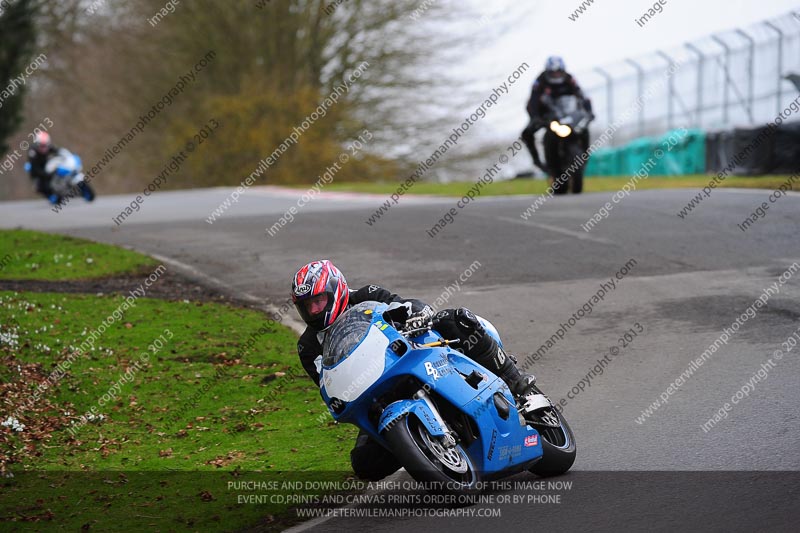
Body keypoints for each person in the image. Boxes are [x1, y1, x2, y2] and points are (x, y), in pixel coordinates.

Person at [291, 259, 538, 481]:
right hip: (372, 391)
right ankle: (419, 446)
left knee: (454, 319)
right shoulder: (307, 346)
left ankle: (514, 380)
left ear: (336, 290)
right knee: (364, 463)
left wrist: (417, 313)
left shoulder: (366, 295)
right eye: (306, 306)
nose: (313, 311)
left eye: (318, 301)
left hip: (408, 354)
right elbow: (327, 381)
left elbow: (406, 305)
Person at [521, 56, 592, 174]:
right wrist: (535, 117)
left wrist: (589, 112)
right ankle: (537, 161)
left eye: (558, 72)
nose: (556, 75)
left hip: (567, 115)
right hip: (547, 116)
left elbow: (582, 96)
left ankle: (585, 156)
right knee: (526, 134)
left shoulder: (569, 79)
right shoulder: (540, 81)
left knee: (584, 129)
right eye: (553, 73)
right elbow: (533, 101)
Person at [26, 131, 60, 204]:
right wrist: (45, 174)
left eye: (45, 146)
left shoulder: (50, 147)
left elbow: (58, 151)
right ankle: (48, 194)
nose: (44, 148)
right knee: (42, 183)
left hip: (46, 165)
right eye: (41, 146)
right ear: (37, 144)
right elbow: (35, 168)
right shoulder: (32, 152)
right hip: (37, 168)